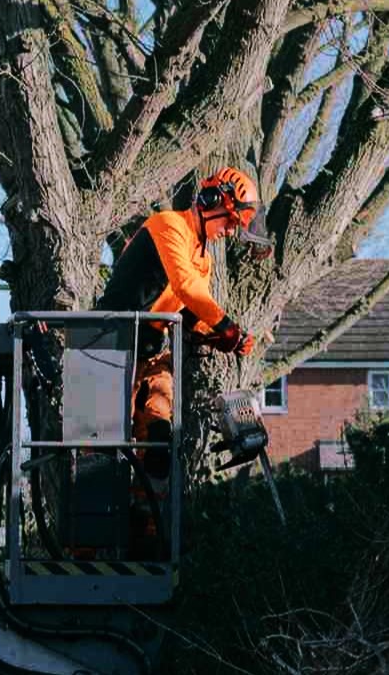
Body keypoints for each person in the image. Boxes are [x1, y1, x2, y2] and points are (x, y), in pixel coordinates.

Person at [96, 167, 265, 539]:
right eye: (230, 221)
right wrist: (227, 326)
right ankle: (93, 541)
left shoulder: (202, 259)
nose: (230, 231)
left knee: (160, 436)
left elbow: (190, 312)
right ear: (210, 202)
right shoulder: (169, 225)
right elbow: (186, 287)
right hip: (111, 349)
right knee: (104, 444)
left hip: (150, 353)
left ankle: (147, 526)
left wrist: (220, 337)